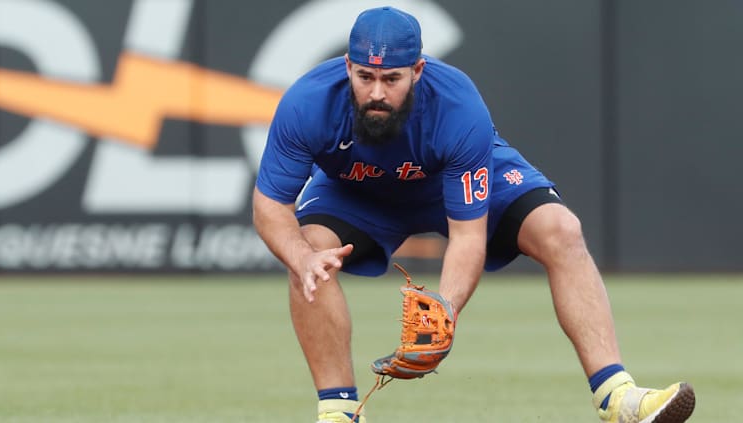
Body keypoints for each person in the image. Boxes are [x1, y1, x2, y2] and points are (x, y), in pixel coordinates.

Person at [252, 6, 695, 423]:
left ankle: (617, 397)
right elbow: (271, 207)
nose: (377, 92)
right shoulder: (307, 103)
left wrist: (443, 316)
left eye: (392, 79)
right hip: (357, 190)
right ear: (348, 66)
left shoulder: (458, 108)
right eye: (365, 76)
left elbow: (467, 236)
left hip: (445, 178)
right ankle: (339, 412)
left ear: (418, 71)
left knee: (560, 229)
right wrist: (302, 257)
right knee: (306, 255)